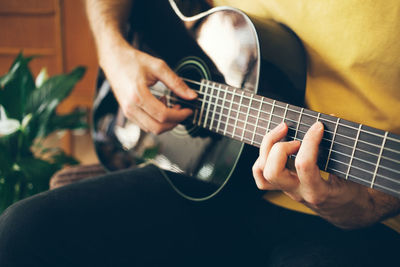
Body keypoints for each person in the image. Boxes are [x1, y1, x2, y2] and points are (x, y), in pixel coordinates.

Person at [0, 0, 400, 266]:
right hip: (208, 170)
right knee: (24, 233)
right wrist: (113, 49)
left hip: (362, 211)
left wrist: (374, 205)